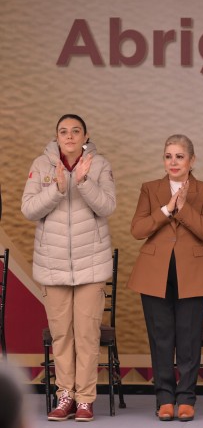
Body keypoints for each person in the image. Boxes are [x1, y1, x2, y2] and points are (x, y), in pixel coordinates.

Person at [21, 114, 116, 422]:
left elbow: (108, 207)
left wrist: (84, 182)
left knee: (87, 336)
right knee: (62, 336)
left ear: (85, 136)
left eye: (76, 131)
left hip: (92, 264)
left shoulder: (99, 165)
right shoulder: (41, 165)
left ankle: (85, 399)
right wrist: (58, 188)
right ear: (57, 136)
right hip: (53, 264)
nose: (70, 136)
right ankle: (65, 396)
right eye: (64, 131)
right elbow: (28, 209)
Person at [128, 134, 203, 422]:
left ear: (192, 160)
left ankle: (186, 398)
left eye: (180, 156)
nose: (173, 162)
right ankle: (165, 398)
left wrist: (183, 208)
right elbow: (138, 229)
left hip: (193, 273)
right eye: (168, 156)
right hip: (154, 273)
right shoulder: (150, 188)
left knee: (189, 339)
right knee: (161, 339)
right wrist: (167, 209)